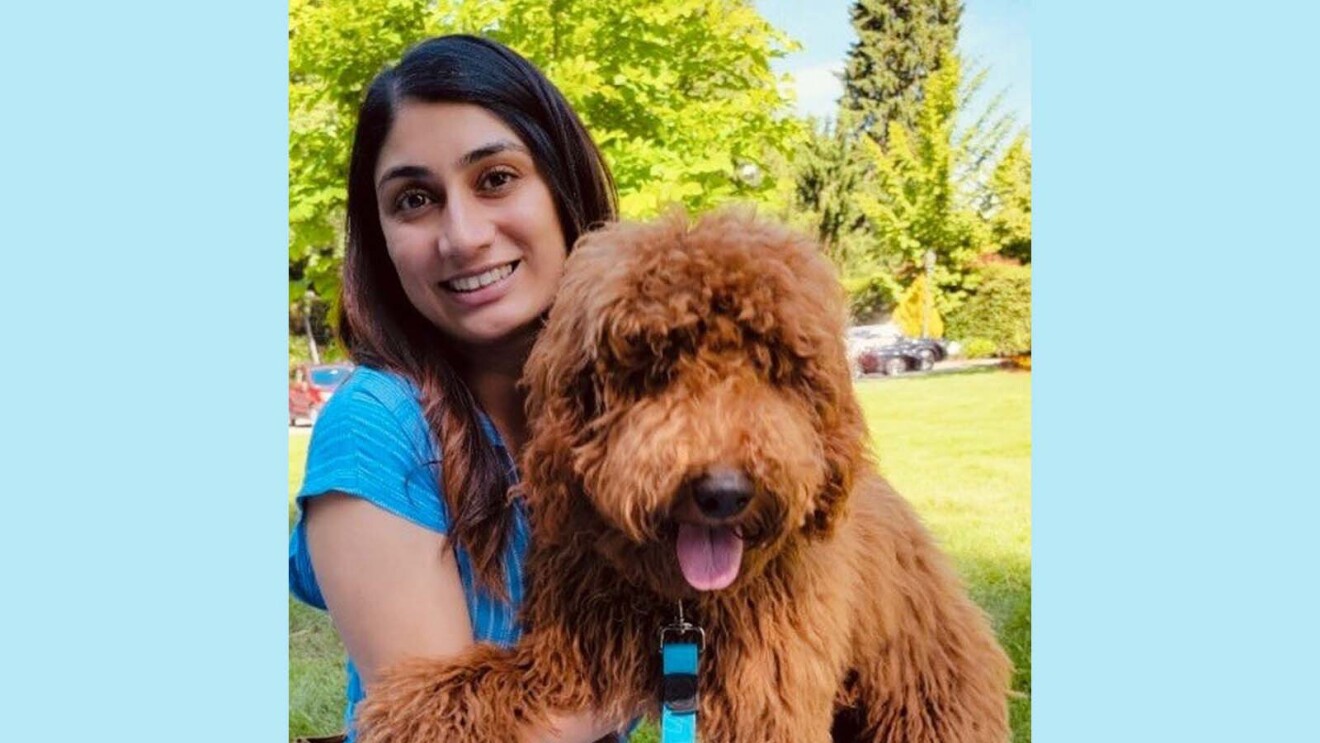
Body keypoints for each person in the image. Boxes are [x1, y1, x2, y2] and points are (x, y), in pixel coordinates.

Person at [288, 35, 630, 742]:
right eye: (415, 199)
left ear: (562, 188)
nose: (464, 235)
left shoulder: (620, 412)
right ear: (380, 236)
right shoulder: (377, 425)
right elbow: (446, 731)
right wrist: (684, 649)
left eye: (497, 178)